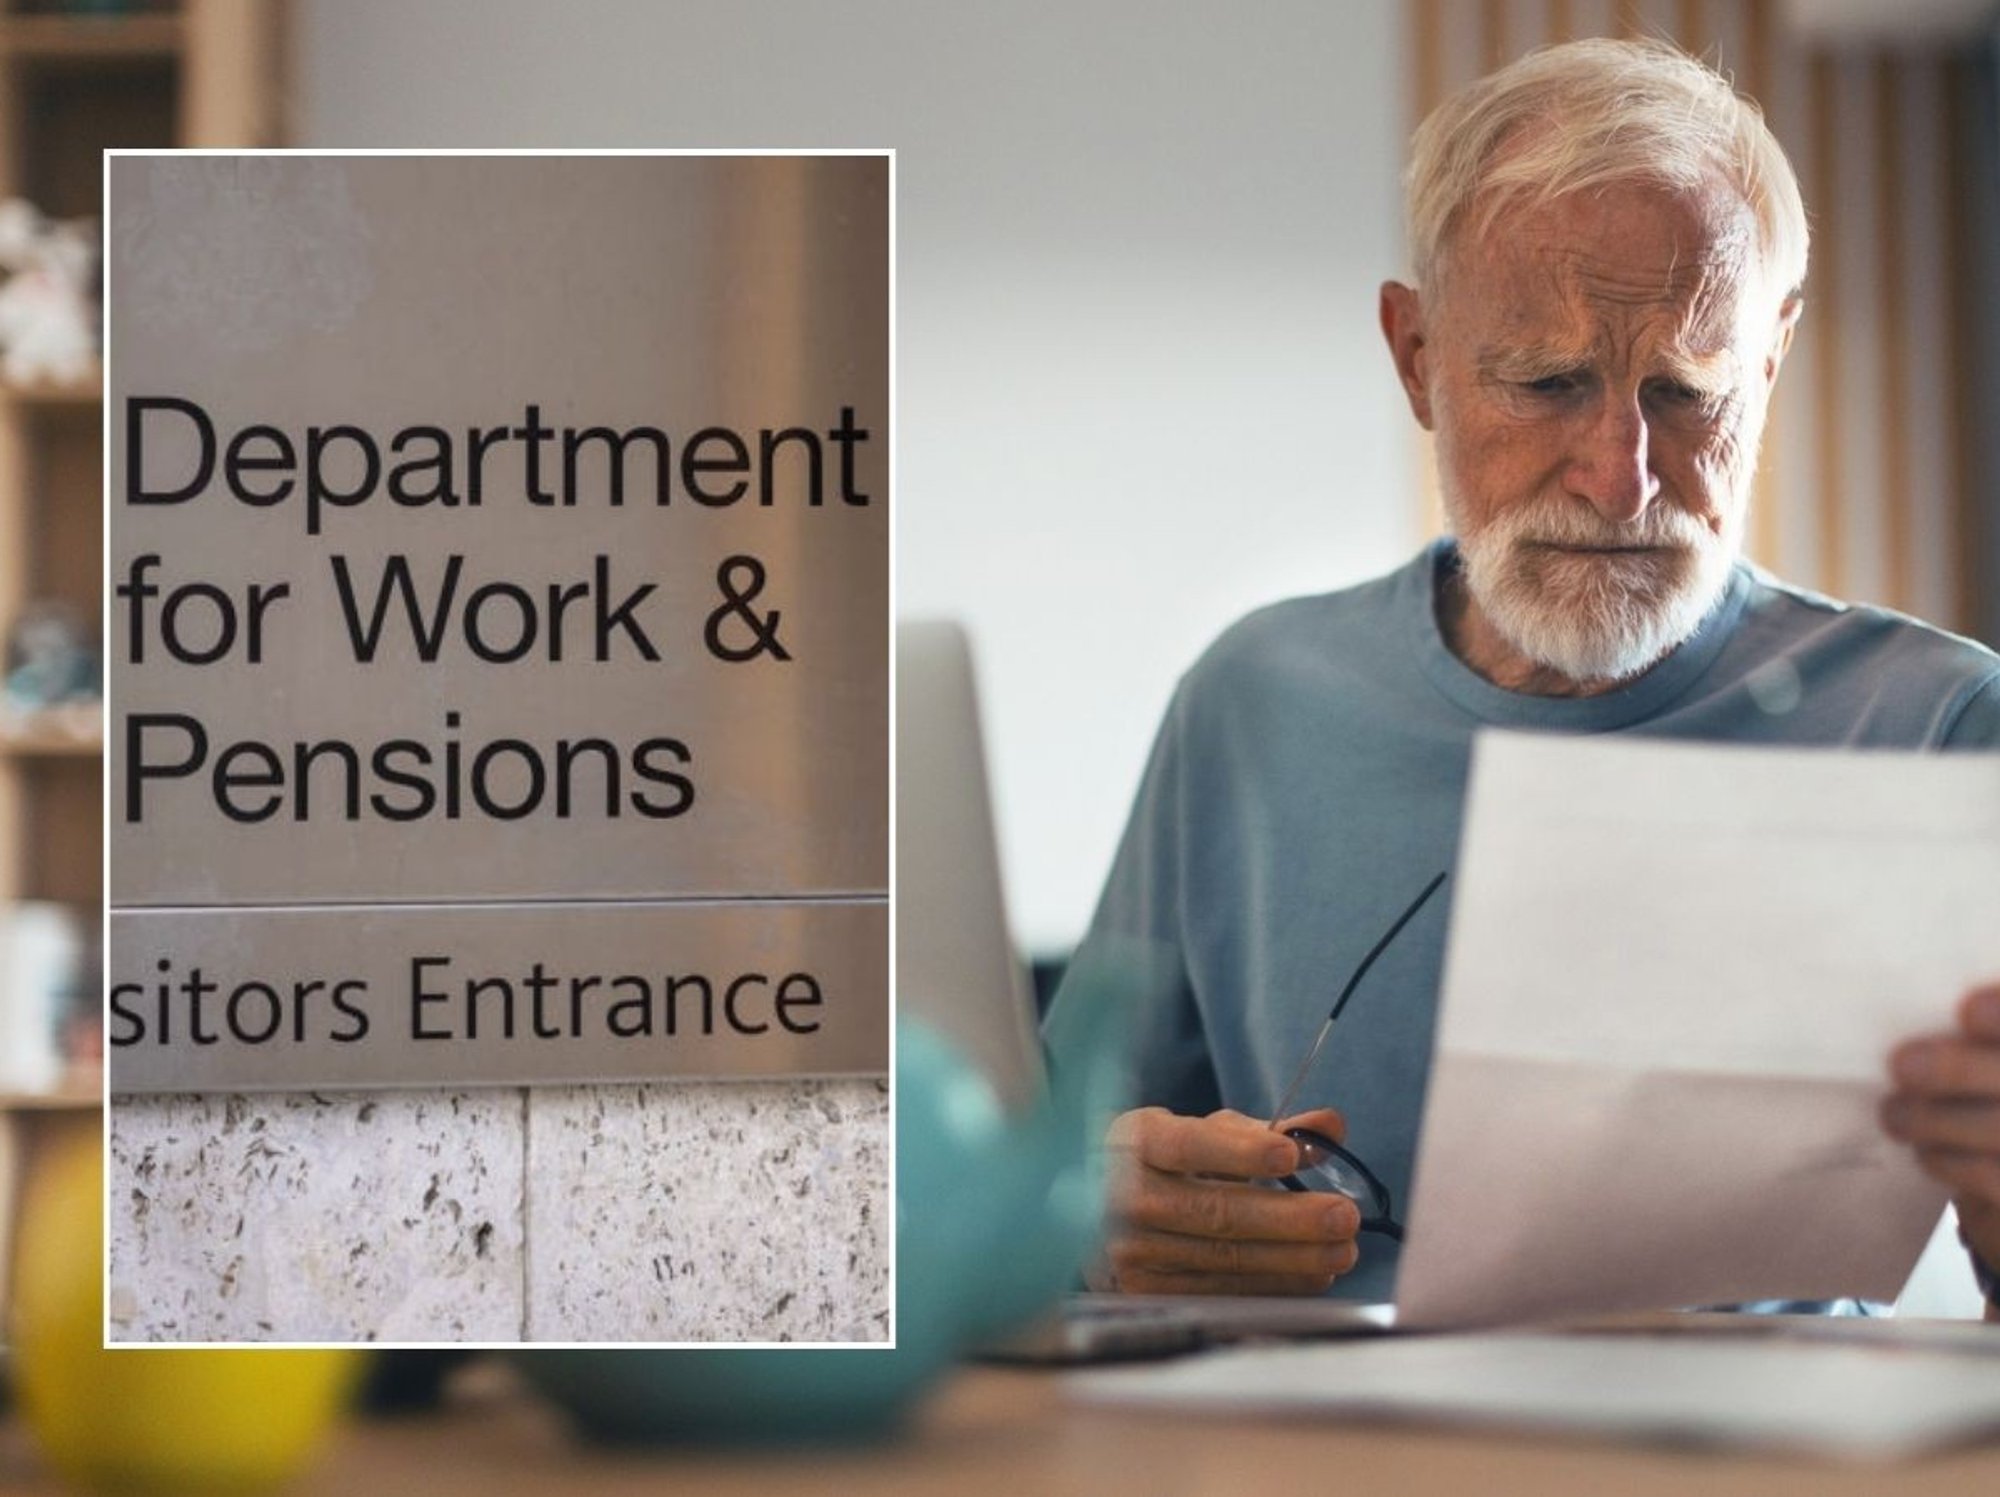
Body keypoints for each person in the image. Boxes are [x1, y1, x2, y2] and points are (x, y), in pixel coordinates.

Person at [1049, 37, 2000, 1313]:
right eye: (1547, 382)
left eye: (1685, 390)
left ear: (1765, 364)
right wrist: (1096, 1219)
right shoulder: (1251, 701)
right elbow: (1039, 1198)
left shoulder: (1935, 726)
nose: (1619, 477)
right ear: (1415, 358)